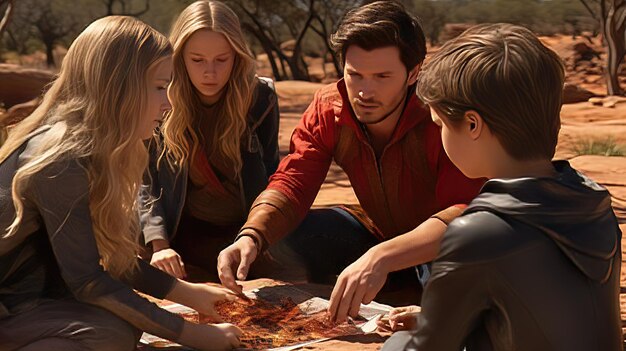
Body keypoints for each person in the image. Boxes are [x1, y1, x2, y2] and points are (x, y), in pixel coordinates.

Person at [217, 0, 484, 322]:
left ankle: (405, 286)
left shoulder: (440, 116)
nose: (365, 91)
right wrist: (252, 234)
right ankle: (386, 284)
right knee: (281, 238)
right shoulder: (329, 107)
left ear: (414, 72)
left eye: (382, 76)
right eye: (355, 74)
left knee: (460, 281)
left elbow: (467, 209)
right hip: (376, 236)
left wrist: (383, 258)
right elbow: (294, 178)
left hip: (442, 245)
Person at [0, 16, 242, 351]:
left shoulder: (91, 150)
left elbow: (111, 259)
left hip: (30, 299)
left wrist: (189, 294)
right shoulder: (60, 161)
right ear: (118, 87)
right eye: (159, 86)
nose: (168, 103)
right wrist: (191, 334)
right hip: (12, 305)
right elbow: (87, 280)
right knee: (109, 333)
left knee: (121, 327)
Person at [379, 23, 622, 351]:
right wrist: (433, 316)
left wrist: (399, 341)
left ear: (472, 124)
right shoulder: (593, 203)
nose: (439, 136)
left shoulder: (479, 232)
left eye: (440, 125)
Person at [142, 0, 279, 280]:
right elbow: (144, 179)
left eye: (221, 59)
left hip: (243, 232)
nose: (210, 73)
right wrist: (160, 245)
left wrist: (256, 236)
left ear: (237, 56)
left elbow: (273, 173)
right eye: (197, 60)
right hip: (181, 232)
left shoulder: (260, 98)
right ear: (179, 57)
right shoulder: (160, 96)